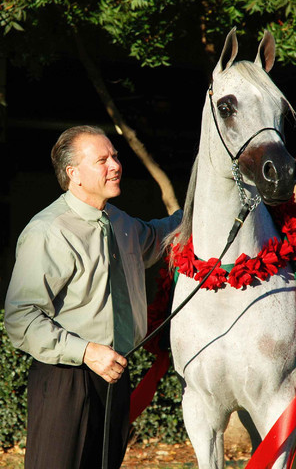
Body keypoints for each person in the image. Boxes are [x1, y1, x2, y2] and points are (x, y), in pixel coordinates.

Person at [4, 125, 182, 469]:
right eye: (103, 159)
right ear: (74, 174)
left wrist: (199, 207)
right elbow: (21, 318)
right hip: (66, 379)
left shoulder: (120, 222)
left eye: (115, 156)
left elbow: (158, 236)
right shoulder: (49, 230)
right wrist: (86, 351)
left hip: (115, 375)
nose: (116, 165)